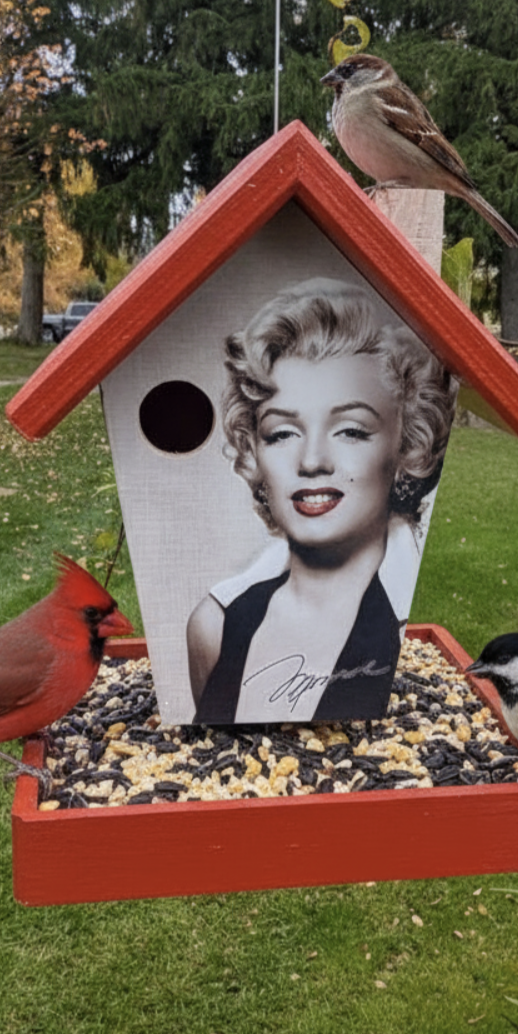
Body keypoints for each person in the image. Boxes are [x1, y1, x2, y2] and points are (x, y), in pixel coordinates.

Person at [188, 278, 457, 724]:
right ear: (255, 452)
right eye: (282, 433)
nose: (312, 461)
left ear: (408, 446)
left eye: (351, 430)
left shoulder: (402, 638)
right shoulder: (214, 627)